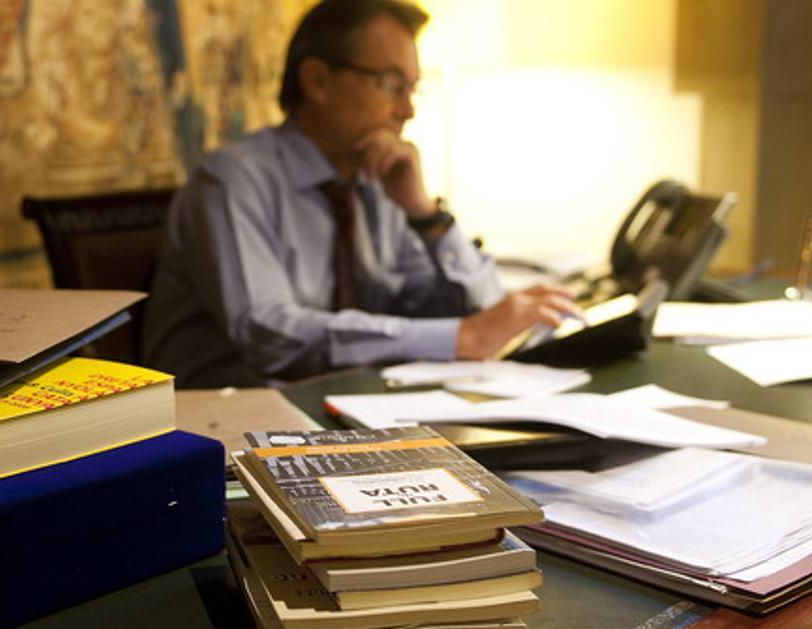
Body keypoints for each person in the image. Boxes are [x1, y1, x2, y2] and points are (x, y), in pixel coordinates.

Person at [142, 0, 579, 388]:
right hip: (221, 426)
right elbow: (271, 335)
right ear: (317, 81)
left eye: (412, 89)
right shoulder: (232, 181)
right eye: (390, 85)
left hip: (349, 406)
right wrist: (462, 335)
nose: (407, 110)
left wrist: (424, 214)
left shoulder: (376, 179)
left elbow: (478, 312)